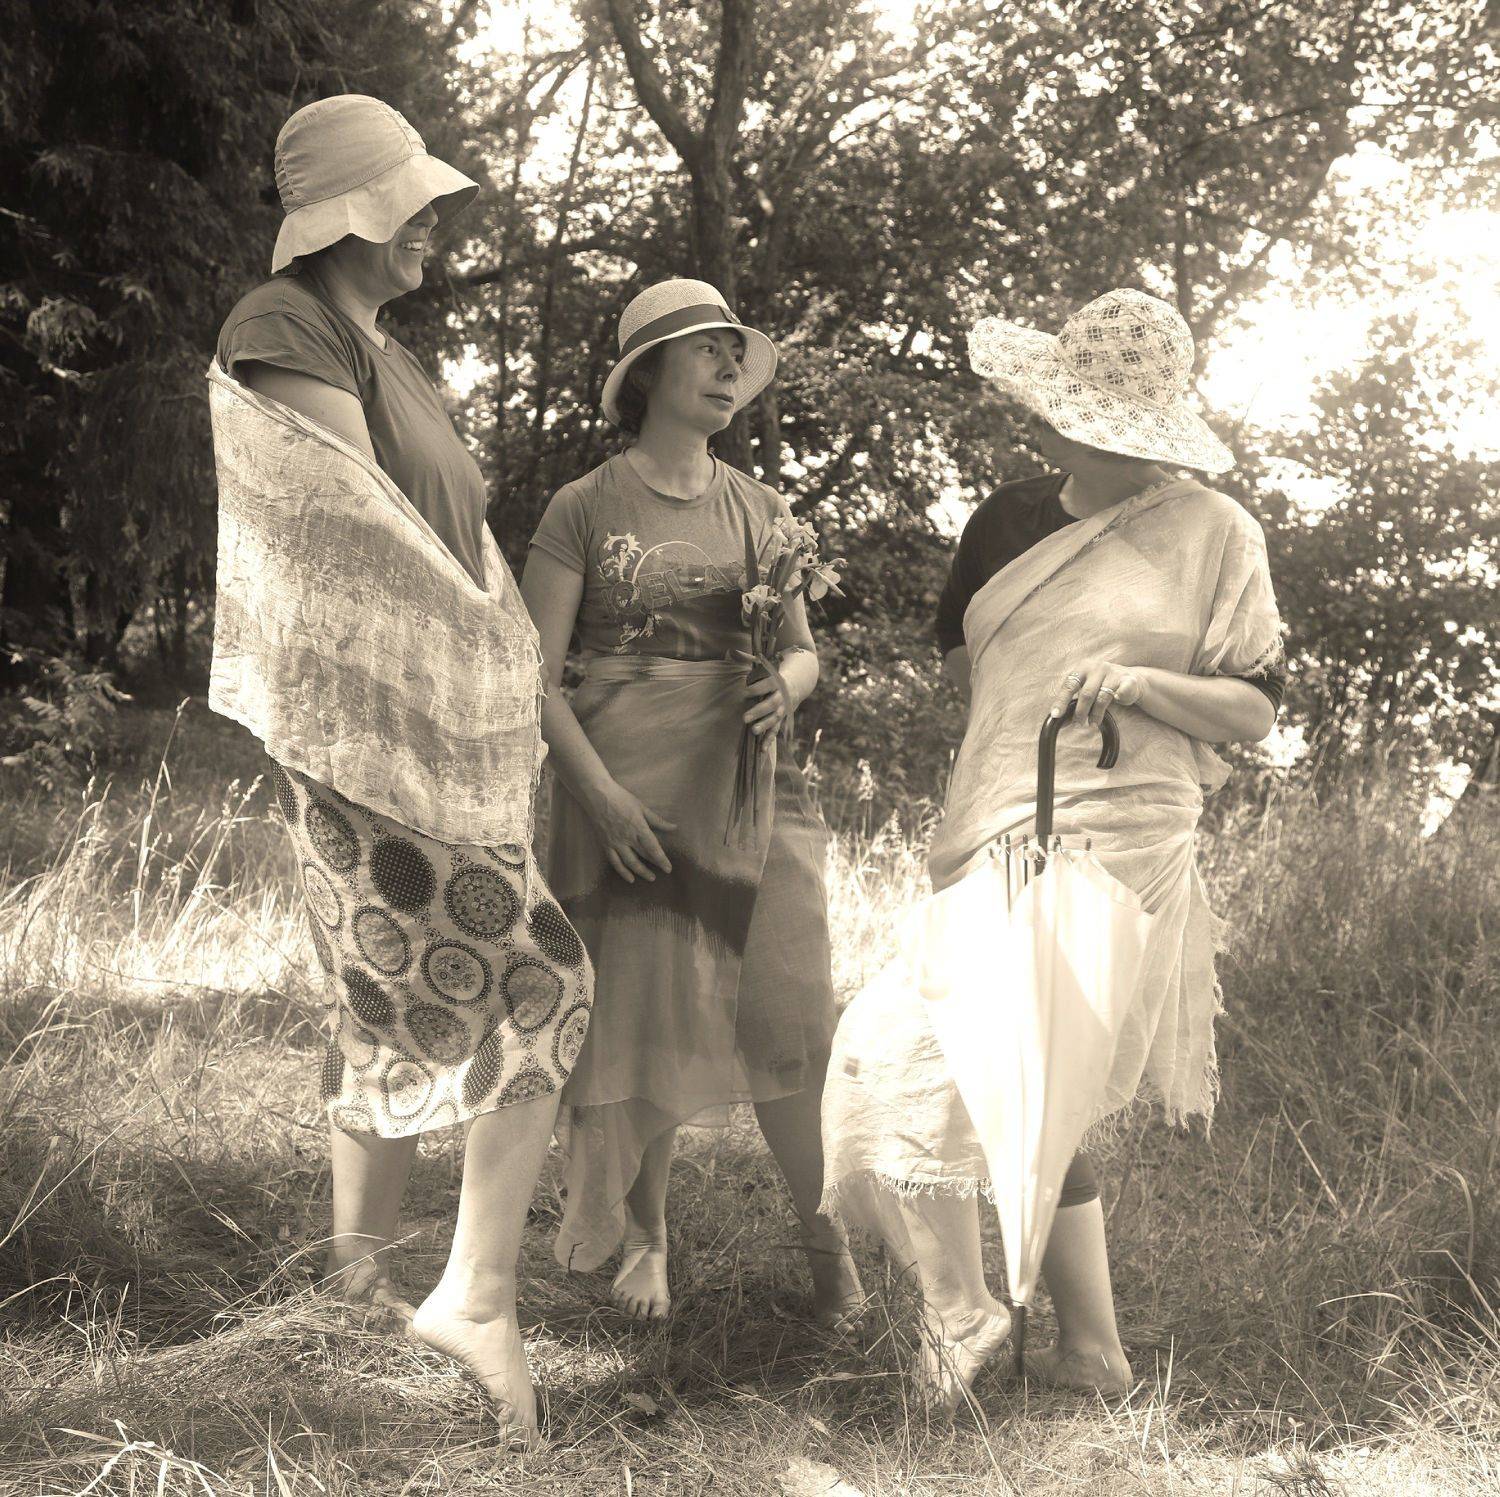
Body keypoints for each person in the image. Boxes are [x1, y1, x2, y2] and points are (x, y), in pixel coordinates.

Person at [819, 288, 1284, 1410]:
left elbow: (1254, 711)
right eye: (1072, 414)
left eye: (1107, 423)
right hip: (1000, 813)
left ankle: (973, 1314)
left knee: (944, 1053)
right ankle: (1080, 1348)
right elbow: (980, 674)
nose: (1077, 435)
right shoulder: (1005, 522)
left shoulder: (1216, 532)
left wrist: (1143, 682)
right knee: (992, 1072)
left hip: (1126, 835)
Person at [209, 94, 592, 1445]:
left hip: (424, 734)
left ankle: (351, 1291)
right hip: (368, 741)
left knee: (381, 996)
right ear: (352, 213)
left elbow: (454, 539)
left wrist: (505, 662)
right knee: (545, 976)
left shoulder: (386, 349)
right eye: (415, 204)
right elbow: (346, 532)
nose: (435, 225)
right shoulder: (285, 325)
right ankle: (474, 1299)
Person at [520, 278, 862, 1326]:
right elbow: (532, 679)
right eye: (705, 349)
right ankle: (647, 1241)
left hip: (751, 792)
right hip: (624, 802)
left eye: (732, 353)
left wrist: (787, 684)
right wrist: (602, 800)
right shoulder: (583, 507)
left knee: (790, 1015)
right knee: (645, 1020)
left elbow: (803, 652)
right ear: (648, 373)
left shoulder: (763, 511)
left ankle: (830, 1253)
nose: (726, 367)